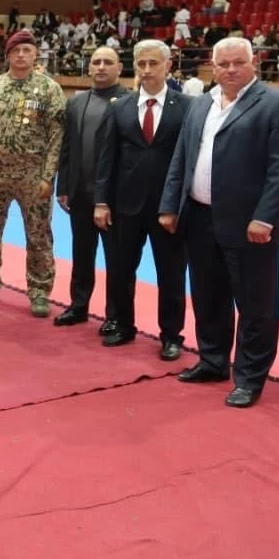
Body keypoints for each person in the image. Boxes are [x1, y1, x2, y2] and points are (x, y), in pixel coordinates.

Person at [159, 37, 279, 408]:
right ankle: (212, 360)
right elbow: (182, 158)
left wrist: (264, 217)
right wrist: (170, 205)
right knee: (209, 297)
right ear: (212, 65)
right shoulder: (202, 103)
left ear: (254, 62)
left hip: (250, 224)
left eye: (238, 62)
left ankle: (250, 377)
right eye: (223, 64)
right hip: (200, 216)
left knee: (256, 304)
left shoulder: (277, 103)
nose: (230, 70)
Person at [93, 40, 191, 359]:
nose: (147, 70)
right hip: (125, 205)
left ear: (168, 66)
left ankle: (172, 335)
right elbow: (107, 157)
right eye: (141, 64)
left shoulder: (187, 107)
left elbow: (189, 160)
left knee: (171, 274)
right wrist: (101, 201)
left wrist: (180, 203)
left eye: (153, 63)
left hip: (169, 207)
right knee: (121, 269)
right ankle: (123, 324)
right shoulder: (120, 106)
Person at [0, 30, 66, 317]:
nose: (21, 55)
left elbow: (56, 137)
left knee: (38, 235)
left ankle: (39, 291)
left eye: (27, 50)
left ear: (35, 54)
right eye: (16, 51)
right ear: (7, 55)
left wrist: (48, 177)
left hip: (33, 176)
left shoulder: (49, 90)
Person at [53, 47, 128, 329]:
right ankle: (79, 305)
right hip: (80, 193)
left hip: (113, 197)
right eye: (96, 62)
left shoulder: (129, 102)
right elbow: (67, 148)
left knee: (115, 258)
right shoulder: (76, 102)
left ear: (119, 68)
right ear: (88, 67)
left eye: (108, 62)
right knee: (82, 253)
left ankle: (114, 314)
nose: (101, 67)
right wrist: (64, 186)